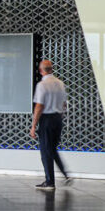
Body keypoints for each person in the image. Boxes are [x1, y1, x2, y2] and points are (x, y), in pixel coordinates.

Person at [28, 57, 73, 190]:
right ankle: (65, 174)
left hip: (46, 120)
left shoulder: (42, 85)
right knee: (52, 150)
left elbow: (39, 106)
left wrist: (33, 126)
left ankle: (50, 181)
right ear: (51, 69)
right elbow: (64, 104)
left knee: (45, 151)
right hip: (57, 119)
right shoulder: (60, 83)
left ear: (41, 71)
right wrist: (59, 116)